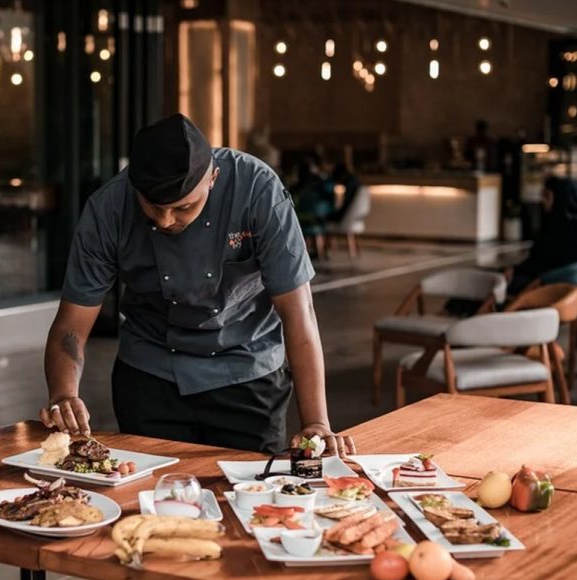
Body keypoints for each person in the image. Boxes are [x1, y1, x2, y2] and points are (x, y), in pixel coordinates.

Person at [40, 113, 354, 459]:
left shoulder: (257, 190)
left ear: (213, 178)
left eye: (182, 207)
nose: (165, 220)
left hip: (247, 374)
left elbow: (298, 312)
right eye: (153, 207)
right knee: (148, 499)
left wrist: (317, 422)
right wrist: (63, 394)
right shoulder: (107, 209)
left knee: (245, 498)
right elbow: (71, 323)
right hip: (150, 376)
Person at [507, 176, 577, 296]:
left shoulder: (561, 229)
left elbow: (540, 263)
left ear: (560, 198)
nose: (543, 201)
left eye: (547, 196)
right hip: (569, 292)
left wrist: (516, 270)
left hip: (547, 288)